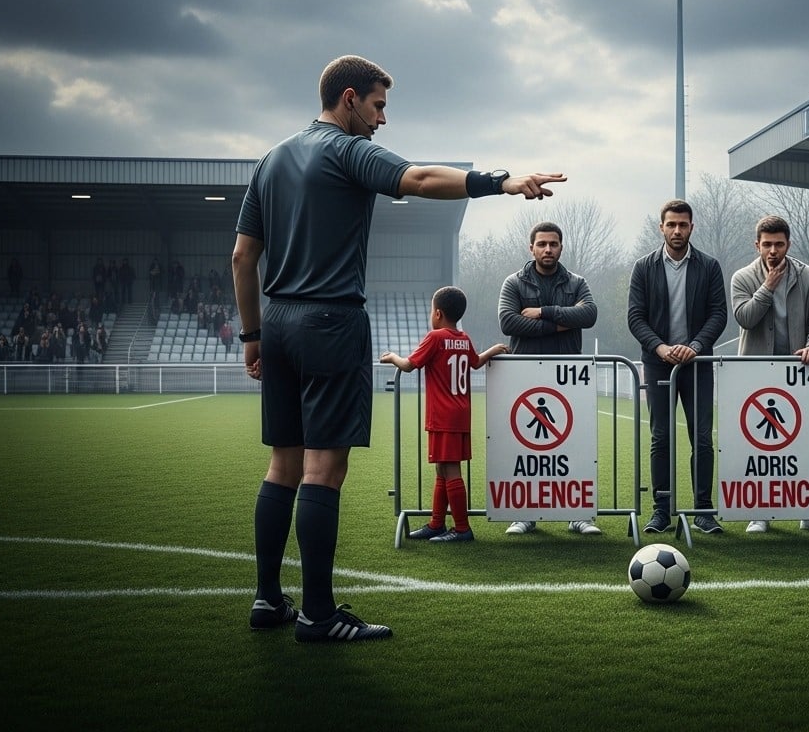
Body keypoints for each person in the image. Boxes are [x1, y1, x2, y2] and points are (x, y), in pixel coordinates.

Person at [232, 54, 565, 643]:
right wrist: (503, 181)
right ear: (351, 97)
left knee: (281, 464)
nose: (382, 119)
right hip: (330, 321)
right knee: (321, 470)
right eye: (380, 105)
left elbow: (241, 257)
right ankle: (316, 614)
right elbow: (415, 179)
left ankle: (266, 600)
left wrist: (253, 335)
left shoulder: (271, 158)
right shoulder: (345, 150)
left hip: (278, 320)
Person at [730, 214, 809, 534]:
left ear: (789, 244)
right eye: (767, 245)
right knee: (759, 447)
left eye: (779, 244)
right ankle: (759, 513)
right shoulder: (743, 277)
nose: (773, 250)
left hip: (799, 372)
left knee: (806, 441)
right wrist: (767, 287)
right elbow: (745, 318)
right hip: (756, 372)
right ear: (757, 245)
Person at [628, 199, 728, 535]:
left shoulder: (709, 266)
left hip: (698, 363)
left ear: (691, 227)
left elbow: (718, 314)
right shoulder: (644, 267)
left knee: (701, 438)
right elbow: (635, 317)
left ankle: (703, 510)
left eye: (683, 224)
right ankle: (661, 510)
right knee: (661, 437)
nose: (677, 230)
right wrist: (660, 347)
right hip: (658, 364)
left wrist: (696, 346)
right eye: (671, 224)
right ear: (661, 227)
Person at [496, 220, 600, 535]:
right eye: (542, 244)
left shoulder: (576, 282)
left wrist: (543, 311)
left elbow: (589, 315)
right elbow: (508, 322)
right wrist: (561, 321)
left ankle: (579, 515)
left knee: (575, 443)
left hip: (569, 374)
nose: (548, 250)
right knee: (526, 447)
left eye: (553, 244)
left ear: (561, 247)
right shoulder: (513, 283)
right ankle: (524, 514)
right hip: (524, 374)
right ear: (531, 248)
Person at [381, 286, 507, 544]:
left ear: (437, 313)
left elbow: (408, 365)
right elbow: (475, 362)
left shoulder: (435, 337)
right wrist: (492, 350)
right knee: (442, 468)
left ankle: (462, 529)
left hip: (443, 416)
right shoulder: (463, 338)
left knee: (450, 470)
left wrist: (393, 357)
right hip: (460, 414)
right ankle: (437, 523)